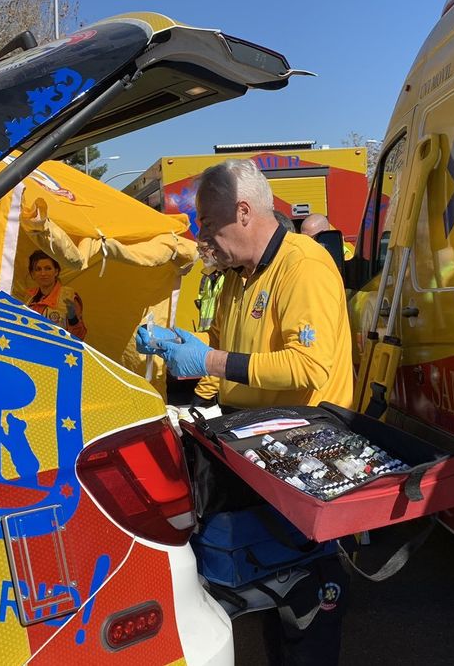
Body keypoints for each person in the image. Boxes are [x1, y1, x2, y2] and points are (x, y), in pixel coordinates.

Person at [137, 158, 353, 664]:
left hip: (311, 454)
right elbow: (229, 354)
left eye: (208, 224)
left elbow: (308, 367)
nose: (202, 236)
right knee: (274, 584)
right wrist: (183, 348)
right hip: (259, 448)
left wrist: (208, 358)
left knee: (310, 595)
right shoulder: (238, 277)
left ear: (243, 211)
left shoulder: (304, 265)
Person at [18, 250, 87, 340]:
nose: (43, 273)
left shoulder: (68, 296)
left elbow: (79, 337)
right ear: (33, 274)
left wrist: (73, 319)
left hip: (58, 351)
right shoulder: (29, 298)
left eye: (48, 268)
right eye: (38, 269)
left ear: (56, 271)